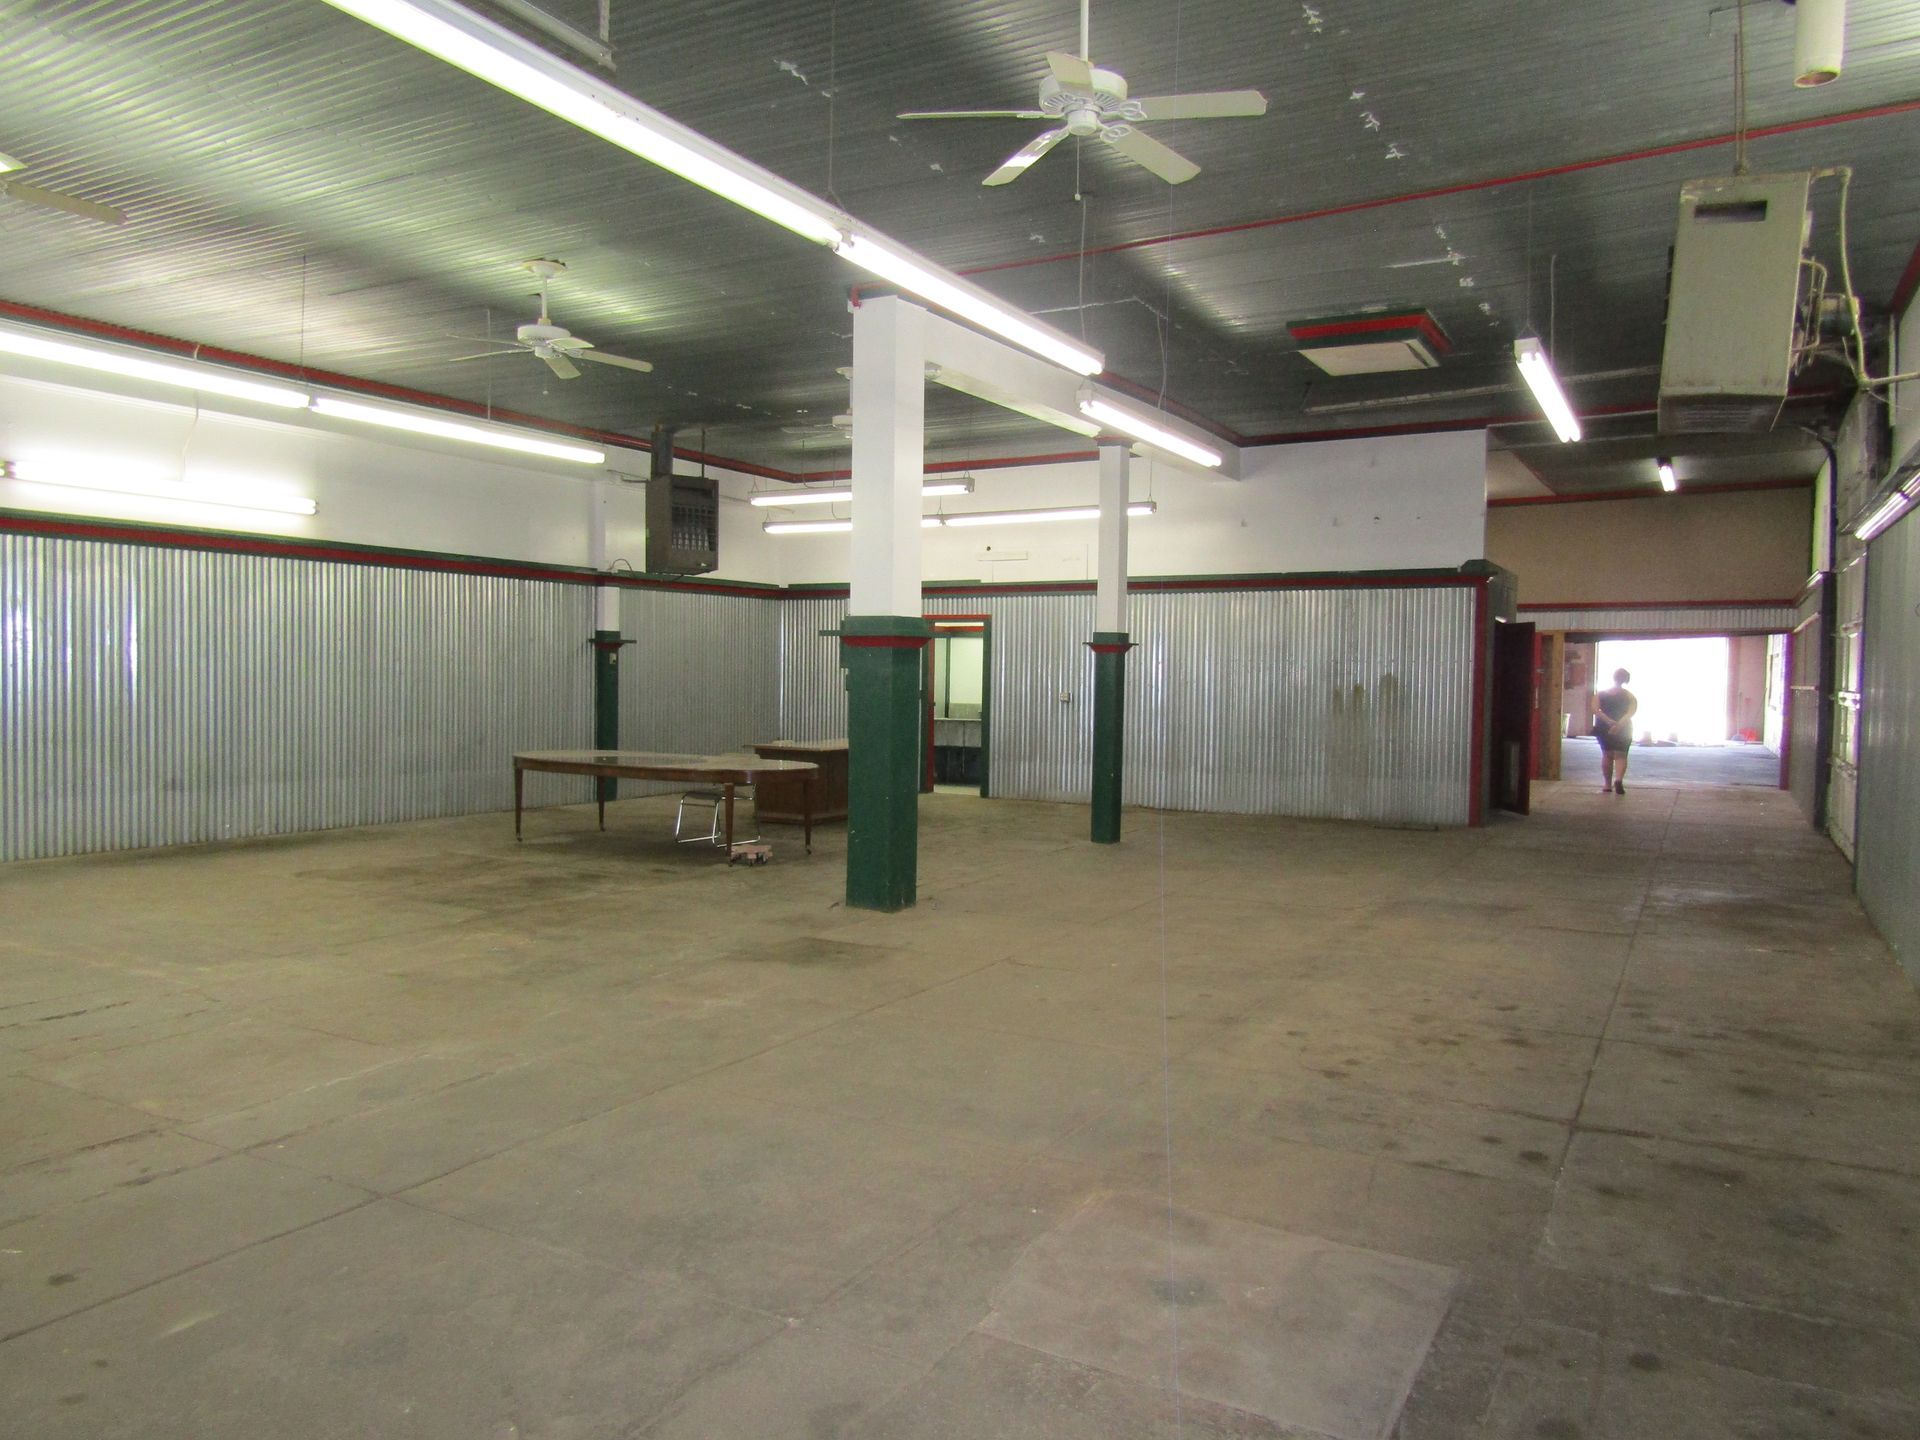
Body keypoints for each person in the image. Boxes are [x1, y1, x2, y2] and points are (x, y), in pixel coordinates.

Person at [1594, 668, 1638, 794]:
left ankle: (1607, 785)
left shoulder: (1600, 694)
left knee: (1607, 755)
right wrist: (1619, 725)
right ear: (1626, 680)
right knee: (1621, 755)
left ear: (1613, 677)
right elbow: (1630, 712)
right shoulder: (1629, 696)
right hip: (1624, 728)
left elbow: (1596, 710)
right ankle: (1618, 780)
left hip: (1604, 727)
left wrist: (1609, 721)